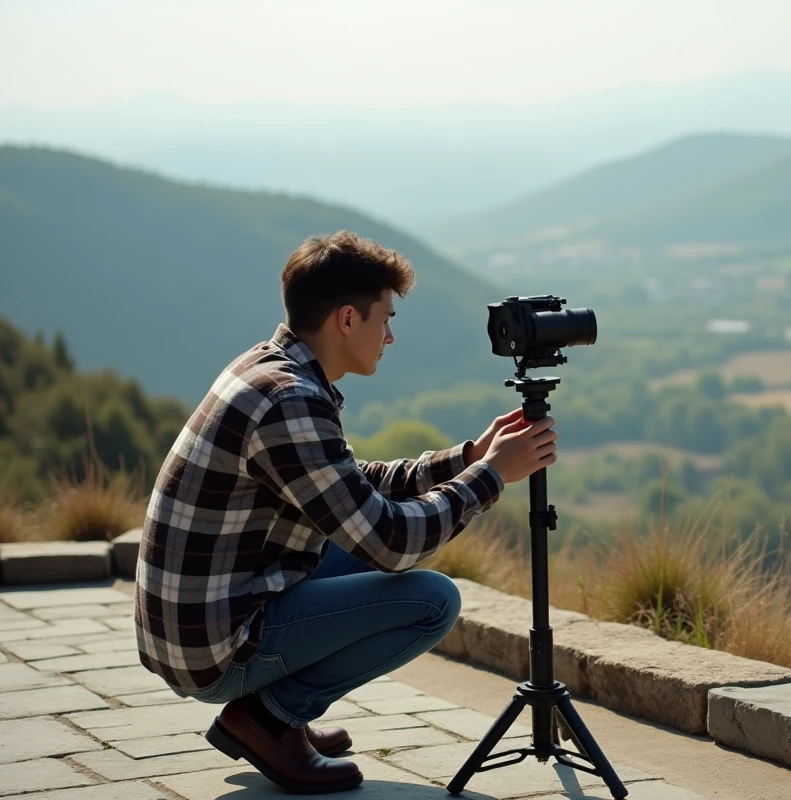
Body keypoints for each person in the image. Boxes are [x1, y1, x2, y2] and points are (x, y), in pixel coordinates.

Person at [133, 230, 557, 794]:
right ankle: (267, 718)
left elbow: (352, 490)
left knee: (362, 554)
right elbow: (391, 542)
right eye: (384, 318)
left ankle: (275, 715)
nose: (391, 336)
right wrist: (491, 477)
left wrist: (467, 458)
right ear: (347, 319)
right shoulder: (290, 401)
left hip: (198, 619)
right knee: (433, 601)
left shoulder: (273, 370)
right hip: (212, 647)